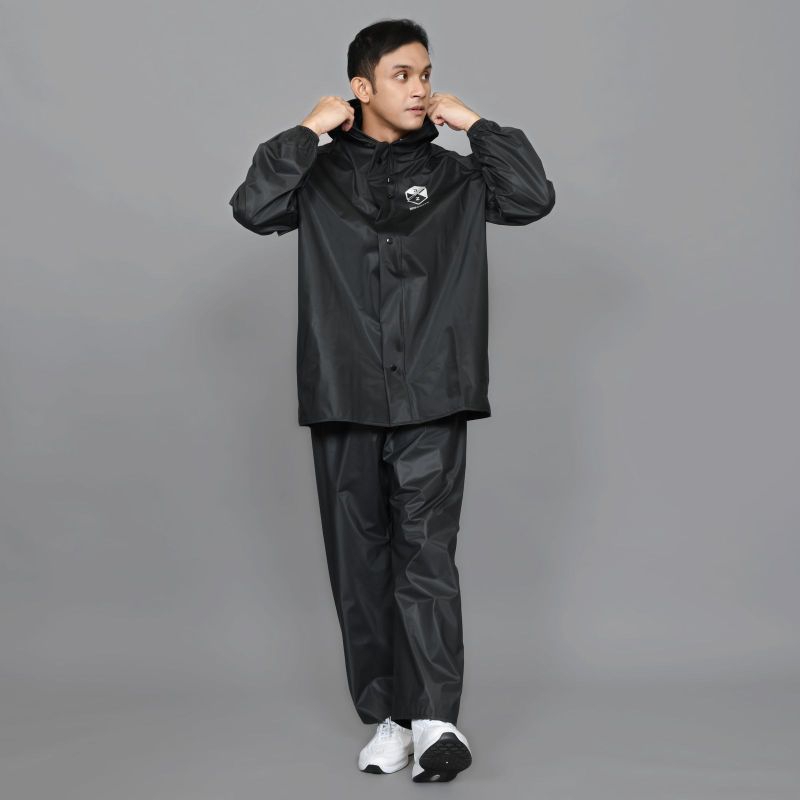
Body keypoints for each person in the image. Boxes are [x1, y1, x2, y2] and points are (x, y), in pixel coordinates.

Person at [228, 18, 555, 783]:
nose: (420, 87)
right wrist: (308, 130)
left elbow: (532, 197)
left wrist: (474, 123)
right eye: (403, 74)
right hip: (343, 391)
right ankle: (392, 718)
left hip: (433, 392)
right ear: (361, 87)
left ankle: (437, 718)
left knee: (426, 554)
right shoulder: (317, 174)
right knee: (359, 564)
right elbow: (254, 206)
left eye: (426, 74)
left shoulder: (455, 177)